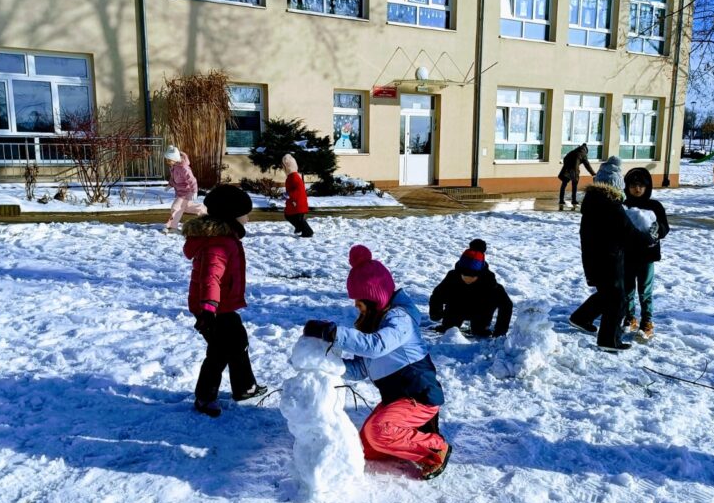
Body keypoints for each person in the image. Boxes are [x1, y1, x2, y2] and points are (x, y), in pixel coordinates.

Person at [303, 245, 452, 480]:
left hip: (419, 398)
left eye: (359, 301)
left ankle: (435, 448)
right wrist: (326, 361)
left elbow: (375, 346)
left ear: (374, 298)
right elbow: (359, 368)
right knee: (367, 447)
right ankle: (407, 436)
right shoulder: (376, 325)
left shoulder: (400, 320)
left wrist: (333, 333)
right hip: (397, 400)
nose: (356, 306)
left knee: (378, 432)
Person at [183, 185, 267, 417]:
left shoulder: (226, 238)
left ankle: (245, 386)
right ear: (231, 216)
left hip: (222, 306)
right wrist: (208, 309)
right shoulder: (219, 244)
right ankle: (205, 396)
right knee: (219, 352)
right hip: (211, 308)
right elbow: (210, 277)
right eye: (245, 214)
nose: (248, 218)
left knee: (238, 341)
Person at [569, 157, 653, 352]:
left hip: (593, 258)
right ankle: (609, 340)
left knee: (607, 295)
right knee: (617, 299)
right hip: (609, 260)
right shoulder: (611, 206)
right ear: (615, 185)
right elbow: (628, 232)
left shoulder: (592, 202)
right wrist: (648, 239)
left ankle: (581, 318)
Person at [429, 239, 513, 337]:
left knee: (479, 332)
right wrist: (436, 313)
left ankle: (480, 328)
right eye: (464, 275)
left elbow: (506, 305)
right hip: (456, 308)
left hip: (480, 312)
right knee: (449, 330)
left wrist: (500, 331)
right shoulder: (452, 277)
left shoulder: (489, 282)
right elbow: (437, 295)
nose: (467, 279)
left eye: (472, 276)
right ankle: (449, 324)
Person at [623, 167, 670, 339]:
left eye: (641, 186)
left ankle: (647, 321)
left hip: (646, 256)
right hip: (627, 255)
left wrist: (658, 230)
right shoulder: (623, 205)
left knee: (645, 290)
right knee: (627, 289)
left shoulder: (654, 206)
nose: (637, 189)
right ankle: (629, 317)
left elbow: (665, 227)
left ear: (647, 187)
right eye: (633, 185)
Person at [164, 146, 205, 233]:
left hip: (187, 191)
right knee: (187, 208)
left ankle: (172, 227)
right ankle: (204, 210)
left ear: (174, 158)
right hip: (180, 191)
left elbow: (192, 180)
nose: (167, 162)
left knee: (176, 207)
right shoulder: (174, 166)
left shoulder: (183, 168)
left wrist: (194, 191)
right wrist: (170, 185)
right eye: (167, 159)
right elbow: (173, 178)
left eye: (169, 160)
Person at [283, 154, 313, 238]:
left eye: (284, 166)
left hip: (298, 202)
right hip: (294, 201)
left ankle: (308, 232)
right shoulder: (291, 176)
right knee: (289, 215)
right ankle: (300, 227)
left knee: (298, 218)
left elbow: (299, 189)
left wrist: (289, 194)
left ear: (288, 167)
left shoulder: (294, 176)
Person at [558, 142, 596, 208]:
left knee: (564, 184)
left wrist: (567, 166)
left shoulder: (574, 151)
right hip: (574, 171)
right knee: (574, 185)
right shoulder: (583, 154)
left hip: (567, 170)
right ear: (586, 150)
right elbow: (587, 165)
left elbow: (565, 158)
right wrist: (593, 173)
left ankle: (561, 200)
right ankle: (574, 200)